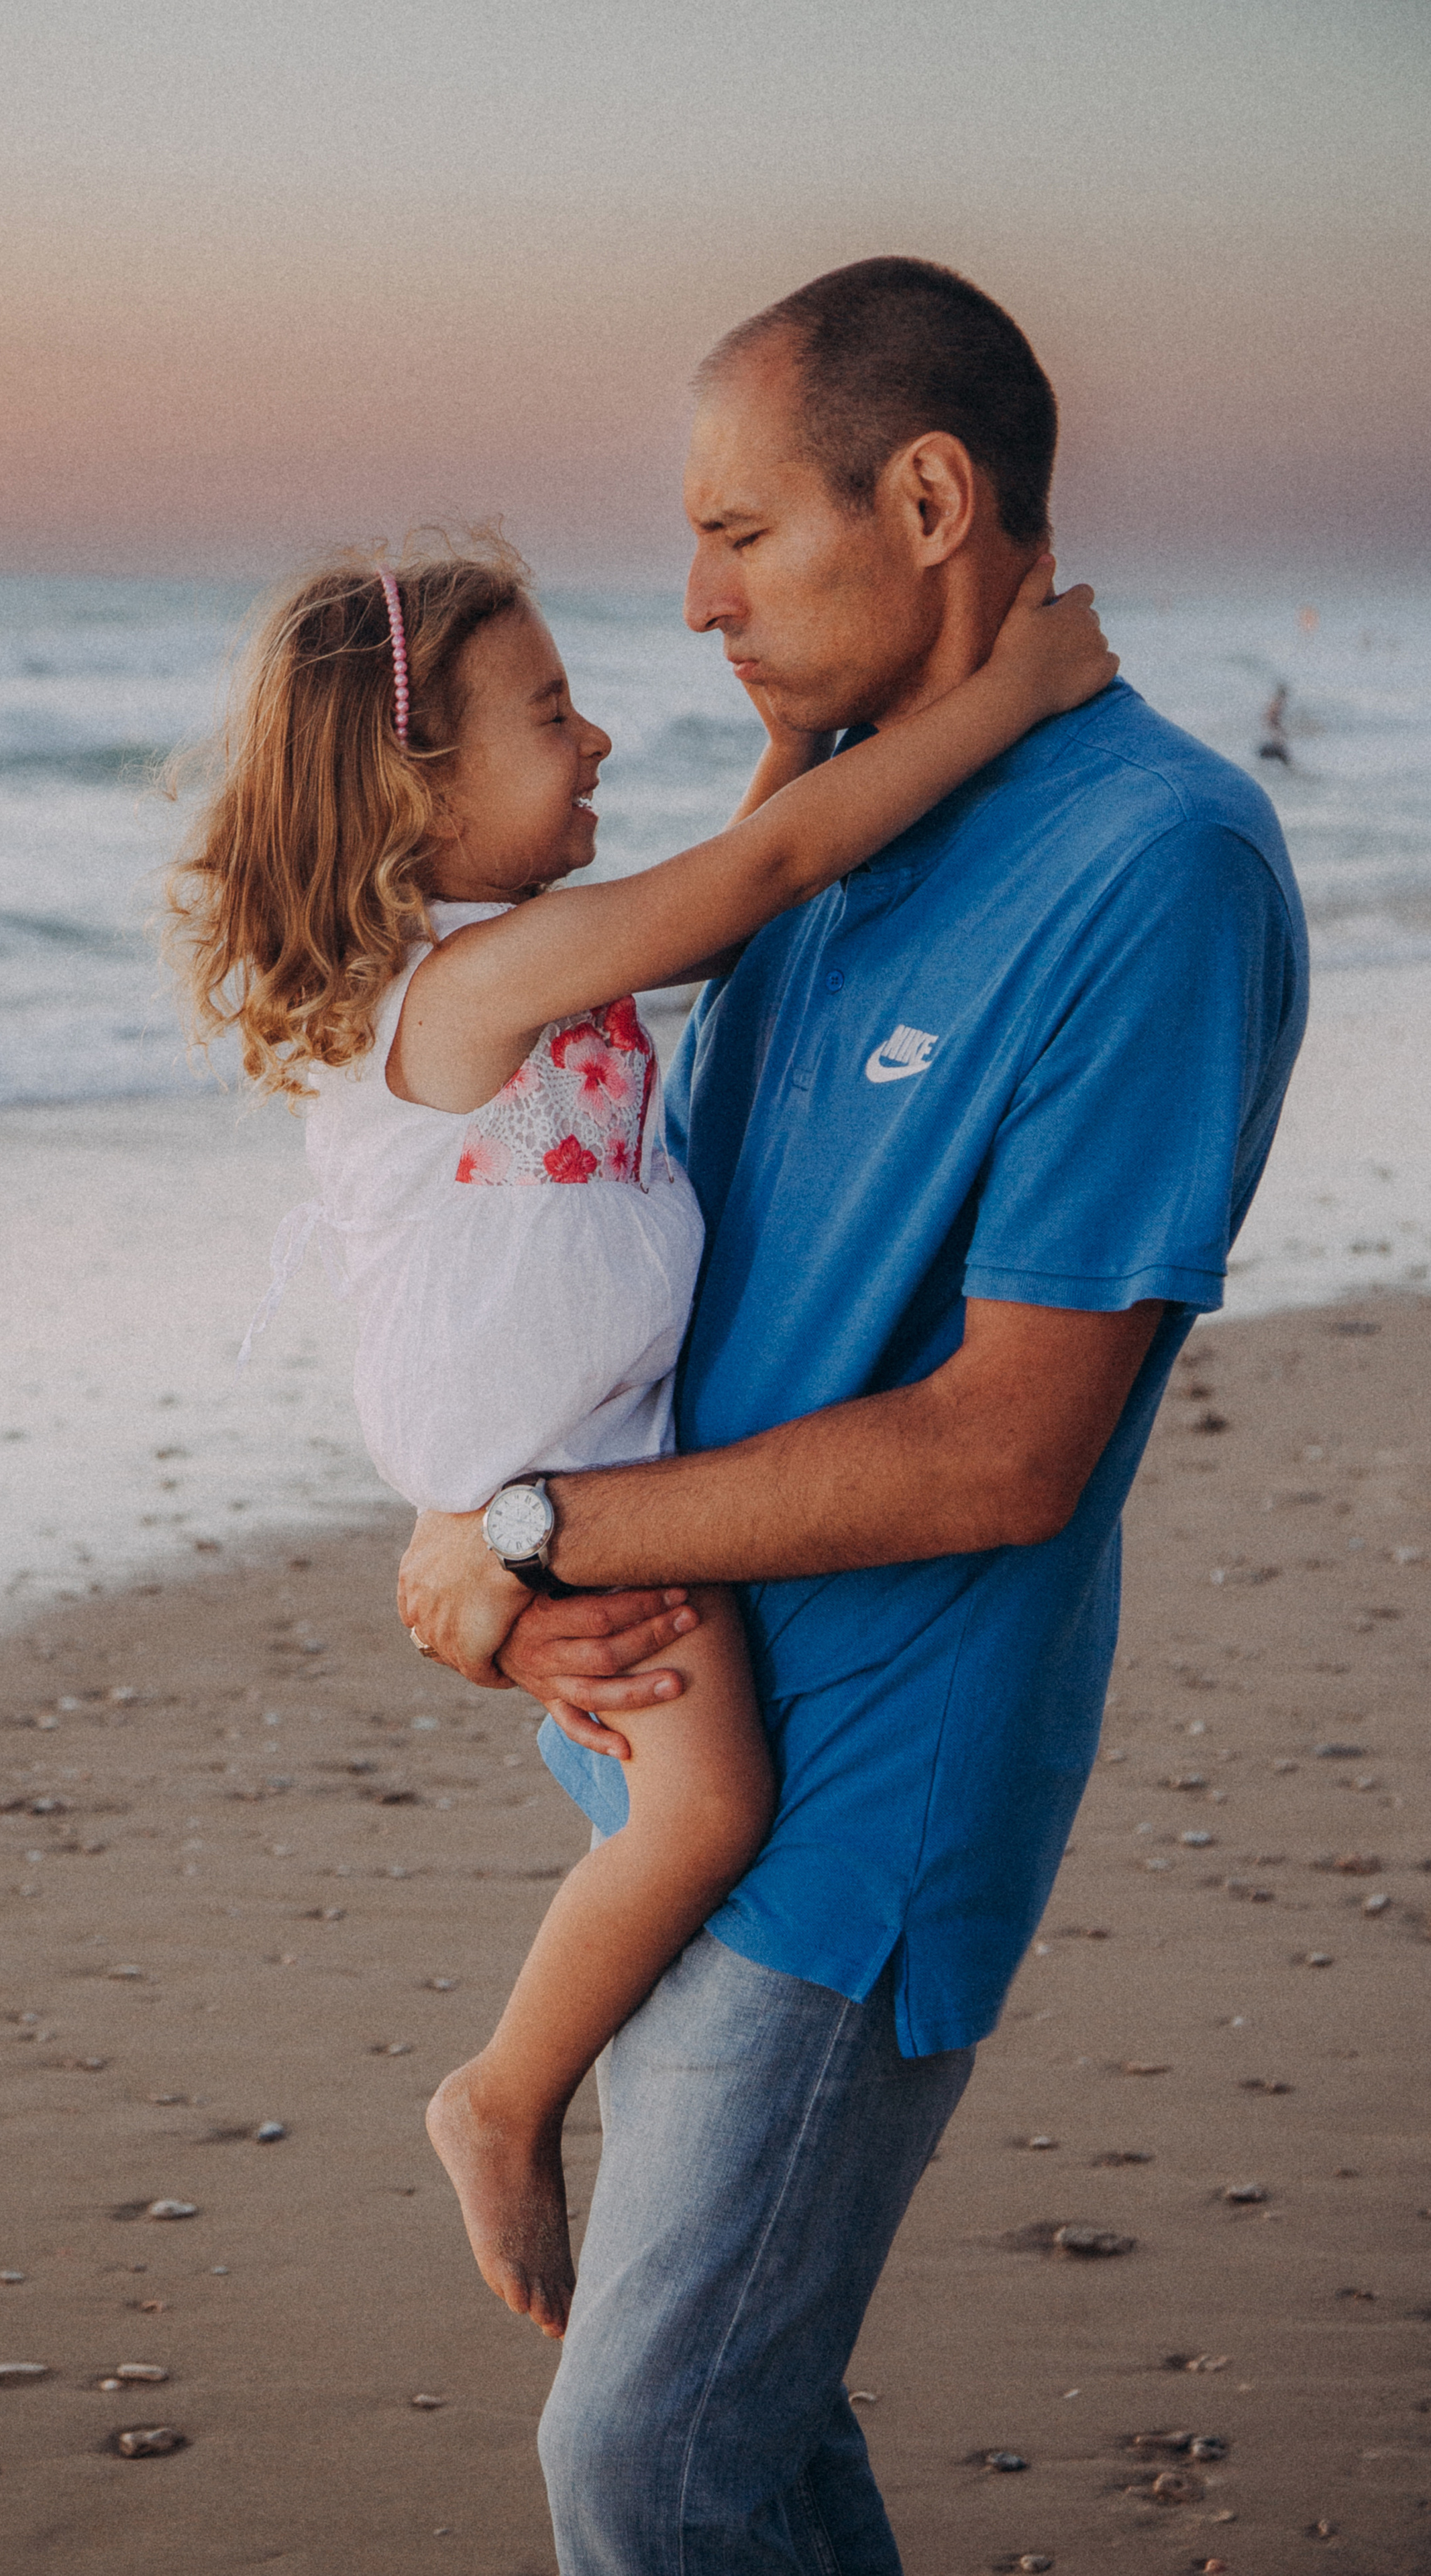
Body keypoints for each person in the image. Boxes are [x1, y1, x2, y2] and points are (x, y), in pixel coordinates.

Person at [399, 256, 1309, 2576]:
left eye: (740, 534)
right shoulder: (834, 818)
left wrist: (532, 1537)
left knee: (646, 2456)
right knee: (748, 2433)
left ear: (927, 498)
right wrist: (519, 1553)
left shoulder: (1156, 867)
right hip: (674, 1724)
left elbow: (1012, 1442)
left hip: (861, 1803)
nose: (691, 601)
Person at [163, 529, 1116, 2341]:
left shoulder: (518, 955)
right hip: (556, 1447)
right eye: (548, 714)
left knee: (686, 1774)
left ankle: (540, 2078)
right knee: (713, 1802)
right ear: (415, 789)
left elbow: (752, 852)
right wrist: (1019, 692)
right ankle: (505, 2092)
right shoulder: (466, 988)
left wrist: (803, 760)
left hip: (570, 1443)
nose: (595, 740)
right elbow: (759, 872)